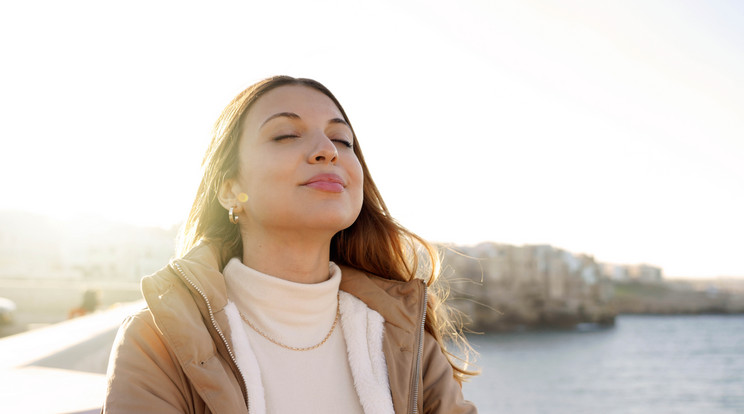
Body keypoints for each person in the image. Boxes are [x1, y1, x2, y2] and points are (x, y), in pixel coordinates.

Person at [103, 76, 478, 413]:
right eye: (286, 135)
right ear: (230, 188)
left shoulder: (402, 336)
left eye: (342, 140)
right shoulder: (159, 341)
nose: (327, 149)